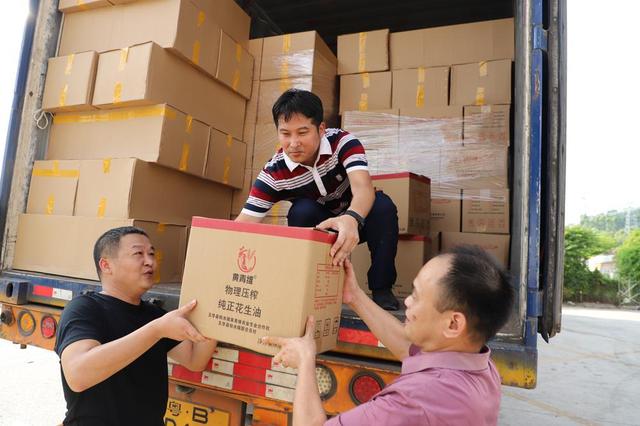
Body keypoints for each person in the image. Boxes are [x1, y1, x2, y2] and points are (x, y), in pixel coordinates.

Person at [263, 245, 514, 426]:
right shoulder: (481, 367)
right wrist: (354, 296)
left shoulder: (414, 402)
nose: (407, 302)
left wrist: (306, 361)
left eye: (416, 295)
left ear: (453, 323)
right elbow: (408, 347)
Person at [236, 88, 400, 310]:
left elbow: (363, 188)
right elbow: (244, 223)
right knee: (301, 211)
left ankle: (382, 288)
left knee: (383, 207)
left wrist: (351, 218)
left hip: (358, 220)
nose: (293, 143)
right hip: (322, 228)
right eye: (285, 134)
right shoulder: (274, 172)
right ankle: (309, 289)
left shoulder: (343, 143)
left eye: (302, 132)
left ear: (321, 129)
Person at [54, 226, 217, 426]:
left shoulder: (153, 314)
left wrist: (218, 309)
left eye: (151, 254)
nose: (150, 261)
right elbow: (78, 375)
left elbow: (195, 360)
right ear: (106, 265)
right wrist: (156, 330)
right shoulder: (84, 308)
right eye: (138, 254)